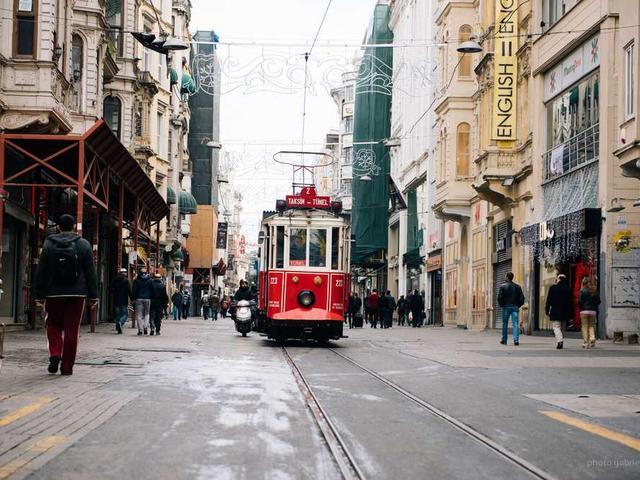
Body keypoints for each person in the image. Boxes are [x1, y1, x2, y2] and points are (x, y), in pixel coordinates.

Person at [34, 214, 98, 376]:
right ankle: (67, 368)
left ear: (58, 227)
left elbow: (41, 271)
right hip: (77, 294)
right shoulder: (84, 245)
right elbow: (91, 272)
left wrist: (39, 295)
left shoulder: (49, 243)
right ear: (74, 228)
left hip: (53, 293)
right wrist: (93, 296)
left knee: (52, 325)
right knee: (71, 330)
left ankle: (55, 354)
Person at [545, 274, 573, 349]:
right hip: (565, 311)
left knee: (556, 327)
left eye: (557, 278)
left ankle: (560, 341)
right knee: (563, 327)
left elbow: (548, 300)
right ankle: (561, 339)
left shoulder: (553, 288)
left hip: (555, 311)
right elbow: (571, 302)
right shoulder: (568, 289)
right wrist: (571, 314)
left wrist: (547, 310)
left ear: (559, 279)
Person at [498, 272, 525, 346]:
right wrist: (518, 305)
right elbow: (522, 298)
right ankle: (516, 340)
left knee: (505, 323)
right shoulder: (518, 287)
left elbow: (499, 298)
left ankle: (504, 340)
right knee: (515, 324)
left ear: (507, 277)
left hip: (506, 307)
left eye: (505, 276)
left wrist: (502, 305)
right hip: (515, 307)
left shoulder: (502, 286)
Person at [578, 277, 600, 349]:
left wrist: (582, 306)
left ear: (583, 283)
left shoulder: (582, 291)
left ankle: (586, 343)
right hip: (593, 311)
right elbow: (599, 301)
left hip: (584, 311)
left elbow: (580, 301)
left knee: (584, 327)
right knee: (592, 326)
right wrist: (593, 305)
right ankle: (592, 338)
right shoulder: (594, 291)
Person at [132, 267, 154, 335]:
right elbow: (152, 290)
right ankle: (145, 327)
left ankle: (140, 330)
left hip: (139, 298)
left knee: (139, 315)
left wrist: (133, 299)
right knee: (147, 314)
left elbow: (134, 290)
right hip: (148, 299)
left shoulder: (136, 280)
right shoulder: (150, 280)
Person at [110, 268, 131, 334]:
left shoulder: (115, 279)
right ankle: (121, 322)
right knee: (125, 314)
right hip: (124, 300)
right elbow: (129, 290)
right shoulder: (126, 280)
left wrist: (114, 292)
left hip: (116, 299)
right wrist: (132, 298)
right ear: (124, 273)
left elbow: (110, 288)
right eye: (126, 272)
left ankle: (118, 328)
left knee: (118, 315)